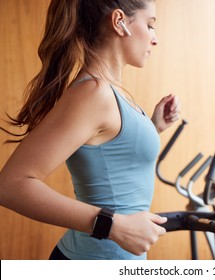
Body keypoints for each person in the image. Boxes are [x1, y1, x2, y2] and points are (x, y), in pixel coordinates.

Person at [0, 0, 181, 260]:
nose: (155, 39)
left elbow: (110, 156)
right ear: (120, 22)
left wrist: (153, 127)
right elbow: (11, 186)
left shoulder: (109, 91)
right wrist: (113, 226)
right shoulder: (93, 93)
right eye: (150, 25)